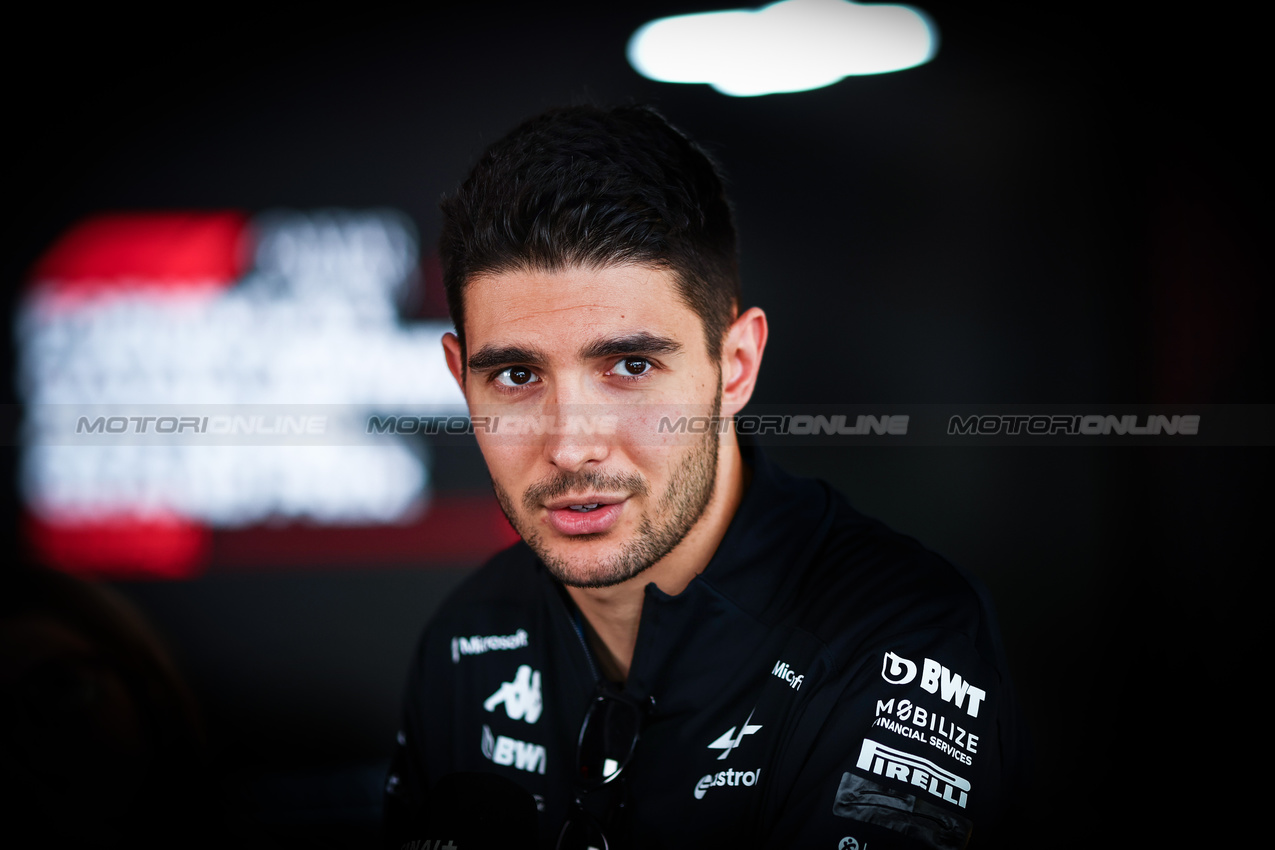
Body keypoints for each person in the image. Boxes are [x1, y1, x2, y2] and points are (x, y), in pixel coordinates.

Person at [384, 103, 1027, 849]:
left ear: (736, 367)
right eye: (517, 374)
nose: (570, 446)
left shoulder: (900, 636)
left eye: (630, 367)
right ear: (462, 381)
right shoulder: (467, 634)